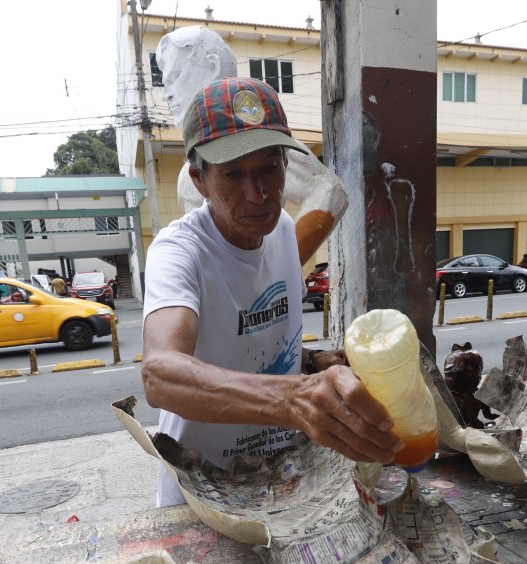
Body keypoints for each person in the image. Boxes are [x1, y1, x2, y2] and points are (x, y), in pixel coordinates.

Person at [140, 77, 401, 508]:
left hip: (277, 480)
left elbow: (247, 344)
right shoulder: (178, 251)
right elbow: (161, 375)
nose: (257, 194)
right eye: (232, 175)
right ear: (200, 180)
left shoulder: (280, 230)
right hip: (206, 492)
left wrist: (314, 363)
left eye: (268, 168)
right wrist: (294, 398)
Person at [156, 26, 348, 264]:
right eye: (231, 173)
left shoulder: (264, 142)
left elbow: (329, 191)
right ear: (200, 179)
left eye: (175, 76)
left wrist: (283, 268)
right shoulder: (173, 249)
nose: (168, 94)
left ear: (213, 67)